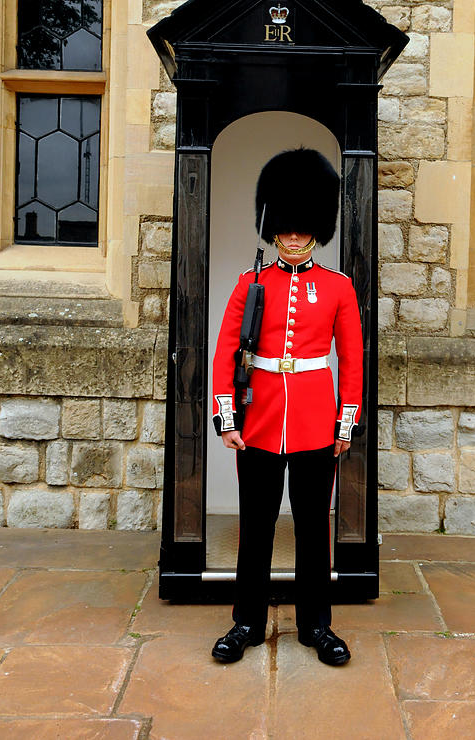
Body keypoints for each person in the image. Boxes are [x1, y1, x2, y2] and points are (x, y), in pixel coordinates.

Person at [210, 148, 363, 666]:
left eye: (303, 229)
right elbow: (227, 352)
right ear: (273, 228)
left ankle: (316, 625)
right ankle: (246, 623)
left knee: (313, 531)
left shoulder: (338, 287)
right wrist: (227, 418)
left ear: (317, 230)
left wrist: (346, 423)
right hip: (259, 424)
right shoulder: (249, 284)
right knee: (255, 528)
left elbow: (352, 363)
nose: (295, 237)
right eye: (286, 228)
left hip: (318, 425)